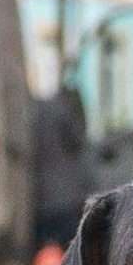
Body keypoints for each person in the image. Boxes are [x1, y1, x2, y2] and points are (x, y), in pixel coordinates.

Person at [30, 84, 90, 251]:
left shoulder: (29, 111)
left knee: (43, 255)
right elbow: (78, 142)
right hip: (66, 198)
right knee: (70, 253)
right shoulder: (60, 109)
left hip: (38, 199)